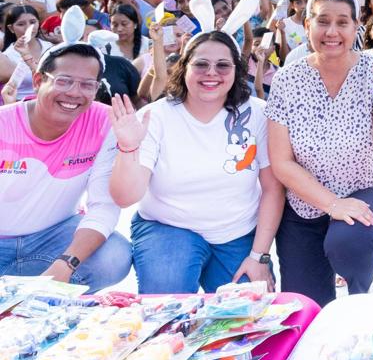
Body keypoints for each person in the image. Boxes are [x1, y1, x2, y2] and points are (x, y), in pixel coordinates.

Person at [107, 16, 284, 293]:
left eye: (223, 65)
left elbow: (273, 189)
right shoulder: (155, 116)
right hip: (168, 228)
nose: (211, 73)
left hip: (236, 234)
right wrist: (128, 147)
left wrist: (258, 256)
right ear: (183, 67)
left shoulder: (259, 113)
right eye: (201, 64)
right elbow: (125, 197)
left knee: (249, 316)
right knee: (166, 307)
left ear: (237, 71)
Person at [266, 0, 373, 306]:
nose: (332, 32)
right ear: (307, 25)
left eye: (343, 22)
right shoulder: (287, 79)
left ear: (356, 27)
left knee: (347, 240)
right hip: (304, 205)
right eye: (323, 21)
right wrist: (332, 204)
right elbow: (281, 162)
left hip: (368, 189)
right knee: (304, 307)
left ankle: (360, 302)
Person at [0, 42, 133, 291]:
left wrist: (67, 263)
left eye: (87, 85)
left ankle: (48, 292)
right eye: (64, 81)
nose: (74, 93)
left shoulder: (105, 122)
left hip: (52, 237)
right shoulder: (4, 123)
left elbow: (103, 206)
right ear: (39, 80)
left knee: (115, 255)